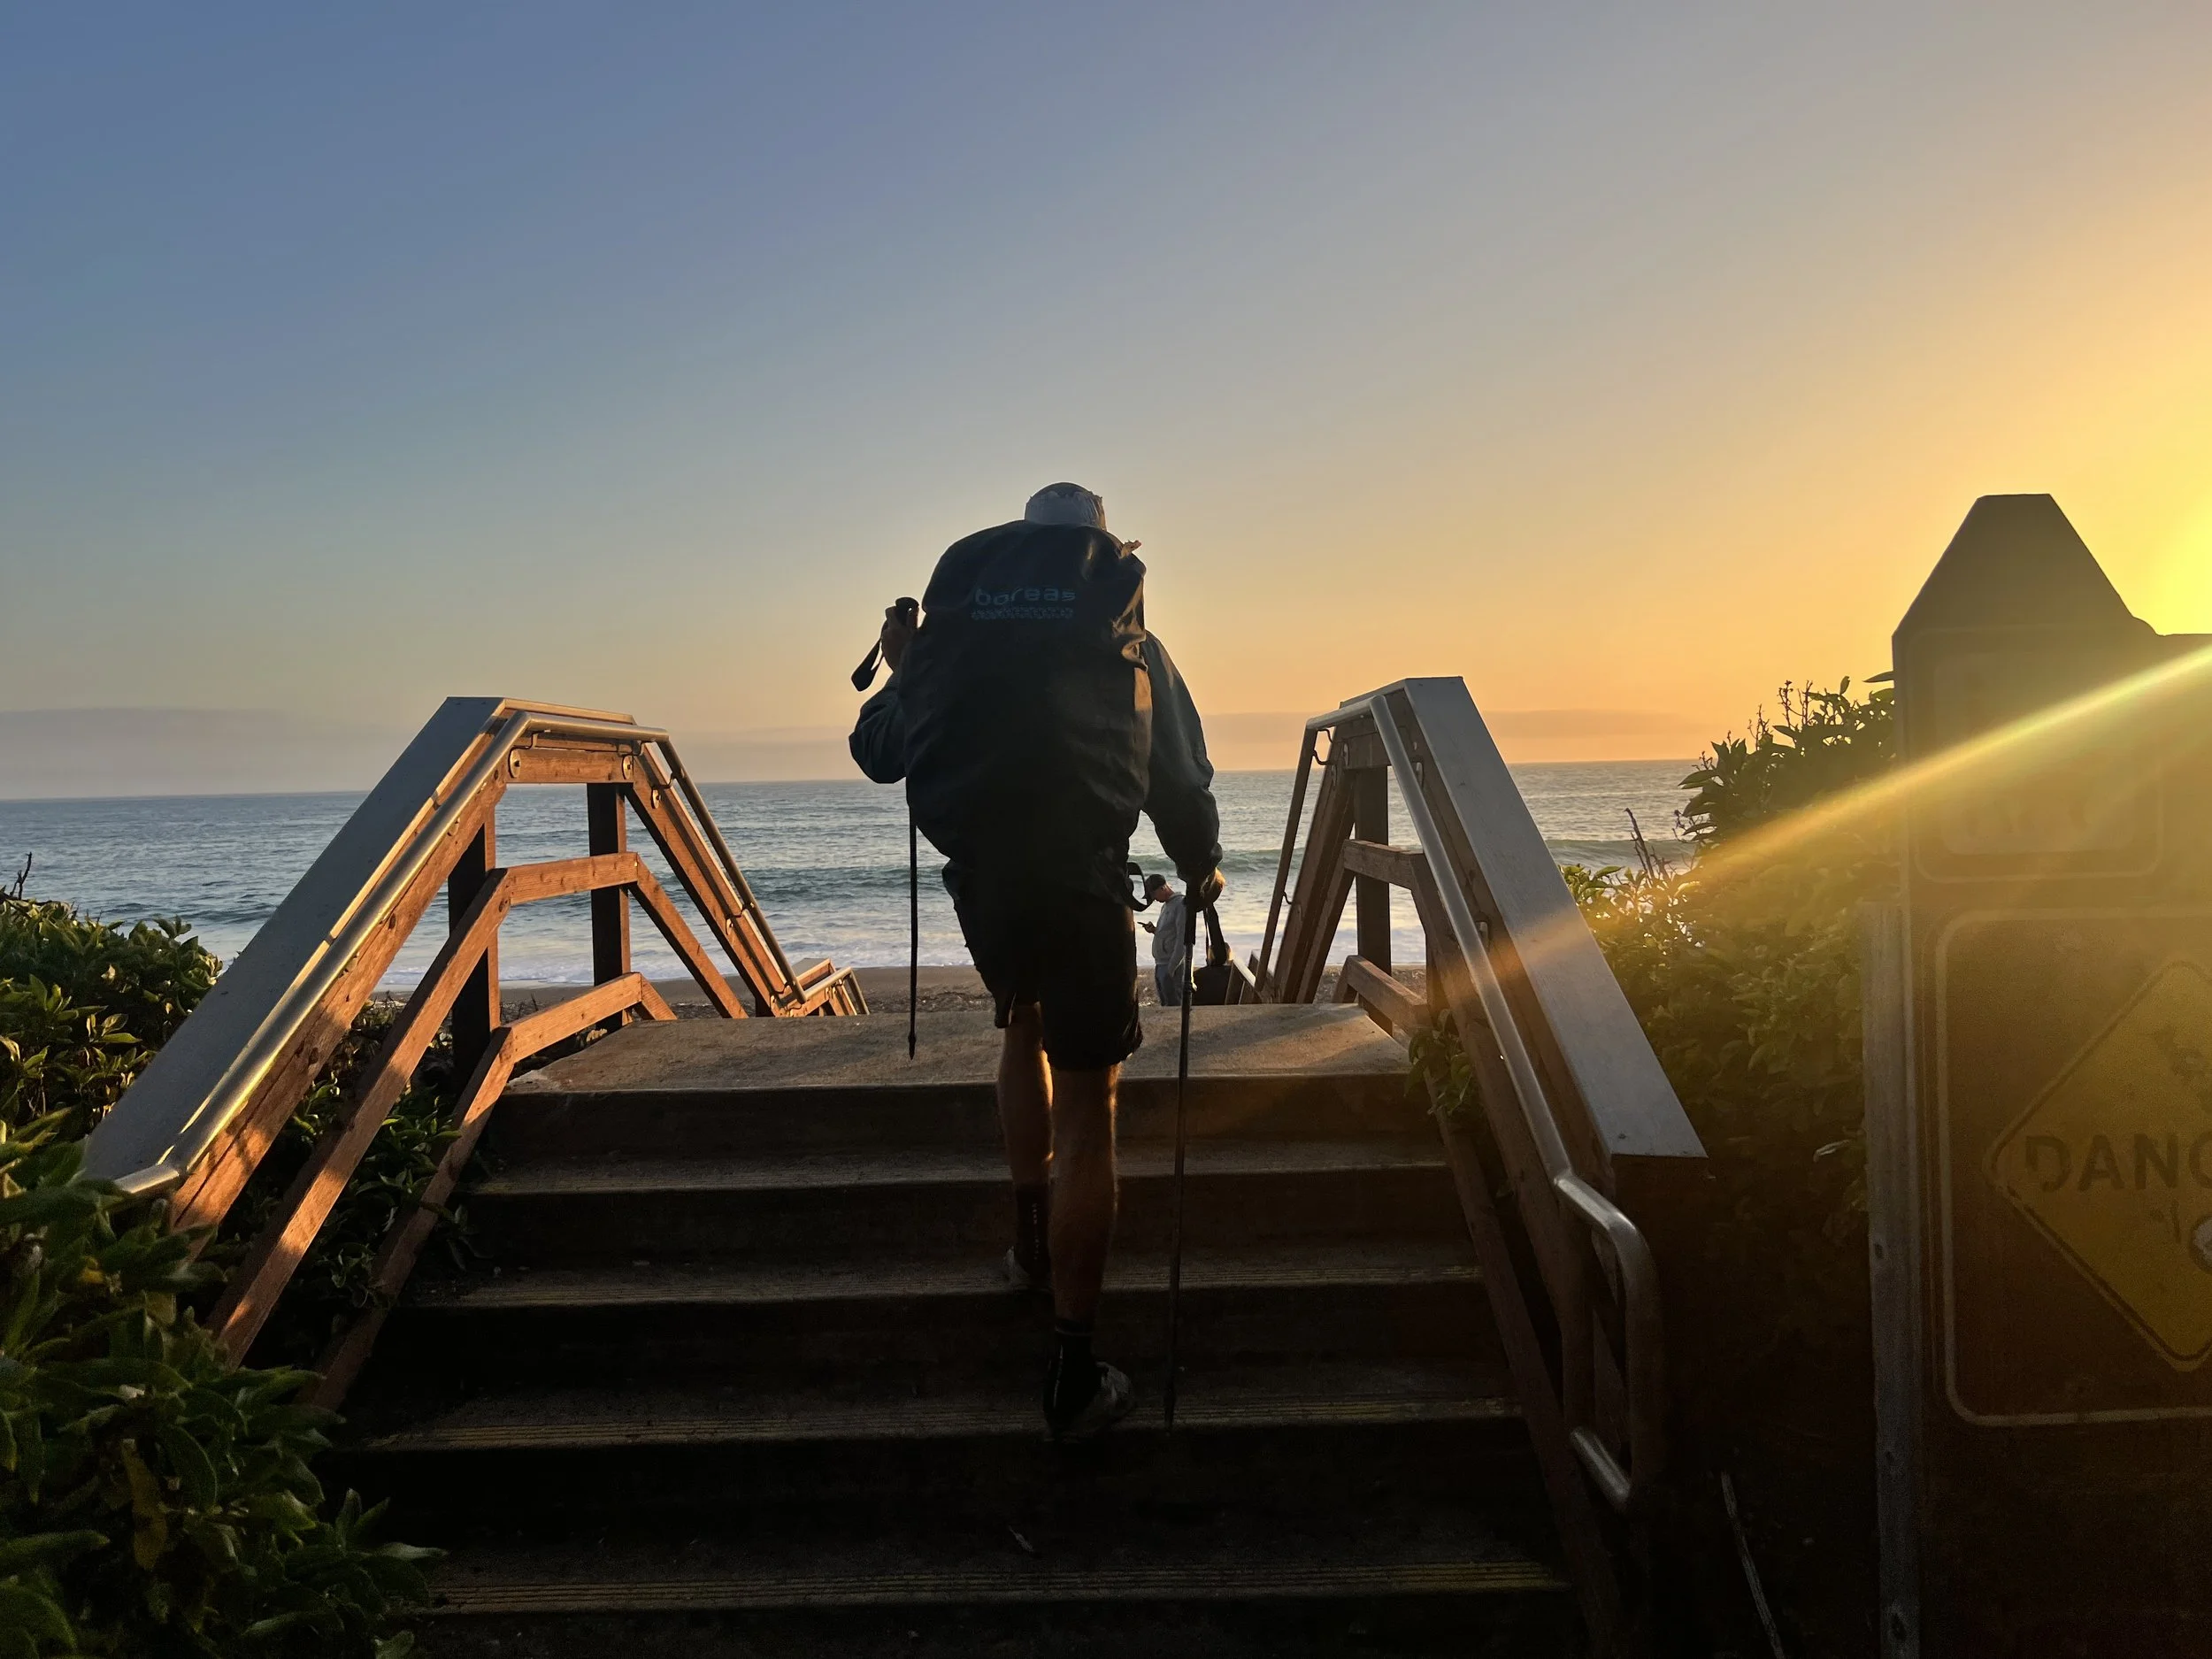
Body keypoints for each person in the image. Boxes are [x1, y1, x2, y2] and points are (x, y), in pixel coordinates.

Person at [849, 482, 1225, 1441]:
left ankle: (1027, 1241)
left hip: (984, 885)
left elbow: (879, 753)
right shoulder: (1132, 642)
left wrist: (905, 668)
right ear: (1104, 554)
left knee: (1020, 1027)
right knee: (1091, 1111)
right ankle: (1071, 1363)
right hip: (1086, 884)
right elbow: (1175, 775)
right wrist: (1200, 866)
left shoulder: (953, 638)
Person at [1139, 872, 1188, 1007]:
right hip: (1160, 963)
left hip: (1171, 964)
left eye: (1154, 894)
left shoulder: (1181, 905)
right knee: (1165, 1005)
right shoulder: (1166, 905)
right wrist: (1154, 930)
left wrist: (1171, 968)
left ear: (1163, 888)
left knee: (1174, 1006)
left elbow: (1182, 939)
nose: (1154, 899)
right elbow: (1169, 933)